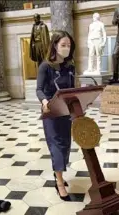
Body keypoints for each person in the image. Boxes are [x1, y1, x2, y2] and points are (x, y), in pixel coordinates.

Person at [36, 31, 76, 201]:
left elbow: (72, 89)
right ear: (54, 46)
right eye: (63, 45)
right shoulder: (45, 66)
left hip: (66, 112)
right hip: (50, 112)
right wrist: (44, 102)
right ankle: (59, 182)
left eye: (69, 46)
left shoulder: (70, 67)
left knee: (66, 144)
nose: (67, 48)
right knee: (56, 147)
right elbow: (39, 89)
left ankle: (57, 173)